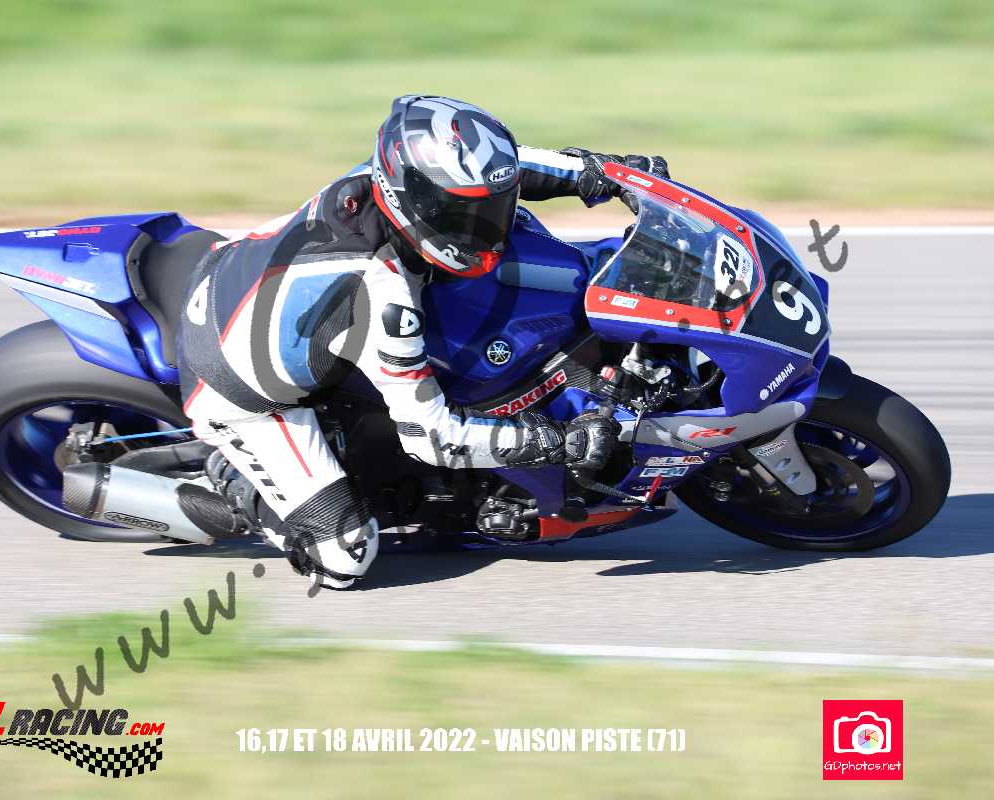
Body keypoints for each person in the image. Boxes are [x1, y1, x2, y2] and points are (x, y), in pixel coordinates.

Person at [178, 95, 670, 588]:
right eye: (465, 215)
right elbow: (434, 437)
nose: (490, 227)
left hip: (253, 280)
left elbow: (515, 167)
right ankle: (234, 482)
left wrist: (615, 175)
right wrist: (556, 441)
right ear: (414, 202)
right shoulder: (382, 294)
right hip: (235, 382)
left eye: (492, 208)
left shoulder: (398, 173)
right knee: (345, 558)